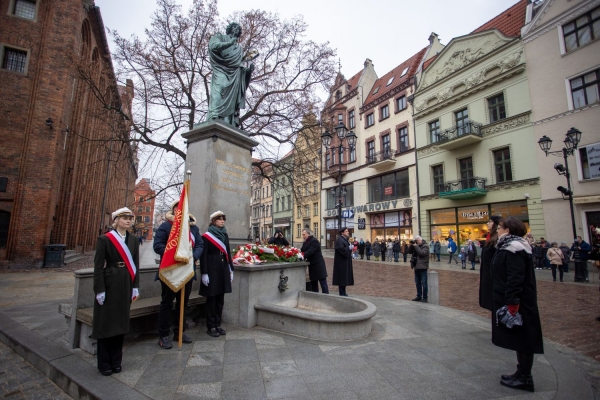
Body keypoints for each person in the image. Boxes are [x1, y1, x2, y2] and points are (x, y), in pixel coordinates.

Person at [492, 217, 543, 393]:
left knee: (524, 338)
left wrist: (512, 302)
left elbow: (515, 277)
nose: (497, 230)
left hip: (521, 301)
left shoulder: (514, 248)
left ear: (507, 230)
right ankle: (520, 372)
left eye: (499, 227)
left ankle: (525, 377)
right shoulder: (510, 246)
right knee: (519, 338)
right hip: (517, 299)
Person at [92, 207, 140, 376]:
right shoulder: (105, 239)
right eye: (125, 218)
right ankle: (104, 362)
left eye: (130, 218)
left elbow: (136, 264)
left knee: (120, 322)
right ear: (117, 220)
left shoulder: (133, 240)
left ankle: (116, 361)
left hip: (126, 282)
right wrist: (99, 289)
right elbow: (98, 267)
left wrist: (135, 286)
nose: (129, 220)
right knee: (106, 322)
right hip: (110, 282)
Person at [154, 200, 204, 349]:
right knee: (167, 304)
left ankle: (179, 332)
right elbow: (158, 245)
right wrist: (175, 255)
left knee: (183, 303)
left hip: (187, 271)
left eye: (183, 208)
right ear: (174, 210)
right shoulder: (166, 226)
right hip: (170, 271)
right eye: (177, 208)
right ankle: (163, 335)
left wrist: (193, 256)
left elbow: (200, 245)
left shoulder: (193, 229)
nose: (180, 210)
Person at [206, 22, 255, 127]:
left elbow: (239, 67)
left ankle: (227, 122)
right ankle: (214, 116)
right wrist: (229, 43)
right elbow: (213, 46)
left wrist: (248, 72)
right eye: (234, 27)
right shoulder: (220, 37)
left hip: (234, 75)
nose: (236, 29)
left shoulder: (239, 48)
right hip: (220, 68)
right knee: (219, 89)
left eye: (238, 28)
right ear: (229, 28)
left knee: (231, 102)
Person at [200, 211, 234, 337]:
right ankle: (211, 326)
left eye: (223, 218)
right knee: (212, 299)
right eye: (219, 219)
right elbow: (203, 256)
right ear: (213, 221)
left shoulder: (224, 234)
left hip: (223, 268)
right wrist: (204, 273)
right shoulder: (206, 236)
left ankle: (218, 324)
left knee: (220, 299)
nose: (222, 221)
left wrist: (231, 268)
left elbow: (228, 253)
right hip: (212, 269)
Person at [479, 215, 500, 312]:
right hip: (487, 274)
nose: (488, 223)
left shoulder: (497, 240)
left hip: (493, 276)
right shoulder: (490, 237)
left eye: (490, 221)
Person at [300, 228, 329, 294]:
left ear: (308, 234)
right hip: (312, 266)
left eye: (304, 234)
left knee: (323, 283)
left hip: (318, 265)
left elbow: (311, 251)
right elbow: (302, 250)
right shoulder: (305, 242)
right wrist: (298, 253)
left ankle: (326, 297)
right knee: (313, 283)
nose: (303, 236)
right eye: (302, 235)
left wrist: (302, 256)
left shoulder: (314, 241)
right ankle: (315, 296)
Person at [333, 227, 354, 296]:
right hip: (341, 263)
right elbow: (341, 250)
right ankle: (342, 292)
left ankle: (343, 292)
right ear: (342, 233)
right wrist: (348, 248)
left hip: (345, 262)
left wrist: (350, 248)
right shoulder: (340, 240)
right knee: (342, 278)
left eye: (348, 231)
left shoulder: (344, 240)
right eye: (346, 231)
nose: (348, 232)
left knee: (344, 278)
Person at [410, 236, 429, 302]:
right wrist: (412, 245)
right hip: (416, 267)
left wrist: (415, 246)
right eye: (416, 240)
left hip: (423, 267)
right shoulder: (416, 246)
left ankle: (425, 297)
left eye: (417, 240)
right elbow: (409, 251)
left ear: (421, 240)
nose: (417, 242)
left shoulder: (425, 246)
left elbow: (422, 253)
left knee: (424, 283)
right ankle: (419, 296)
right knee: (417, 283)